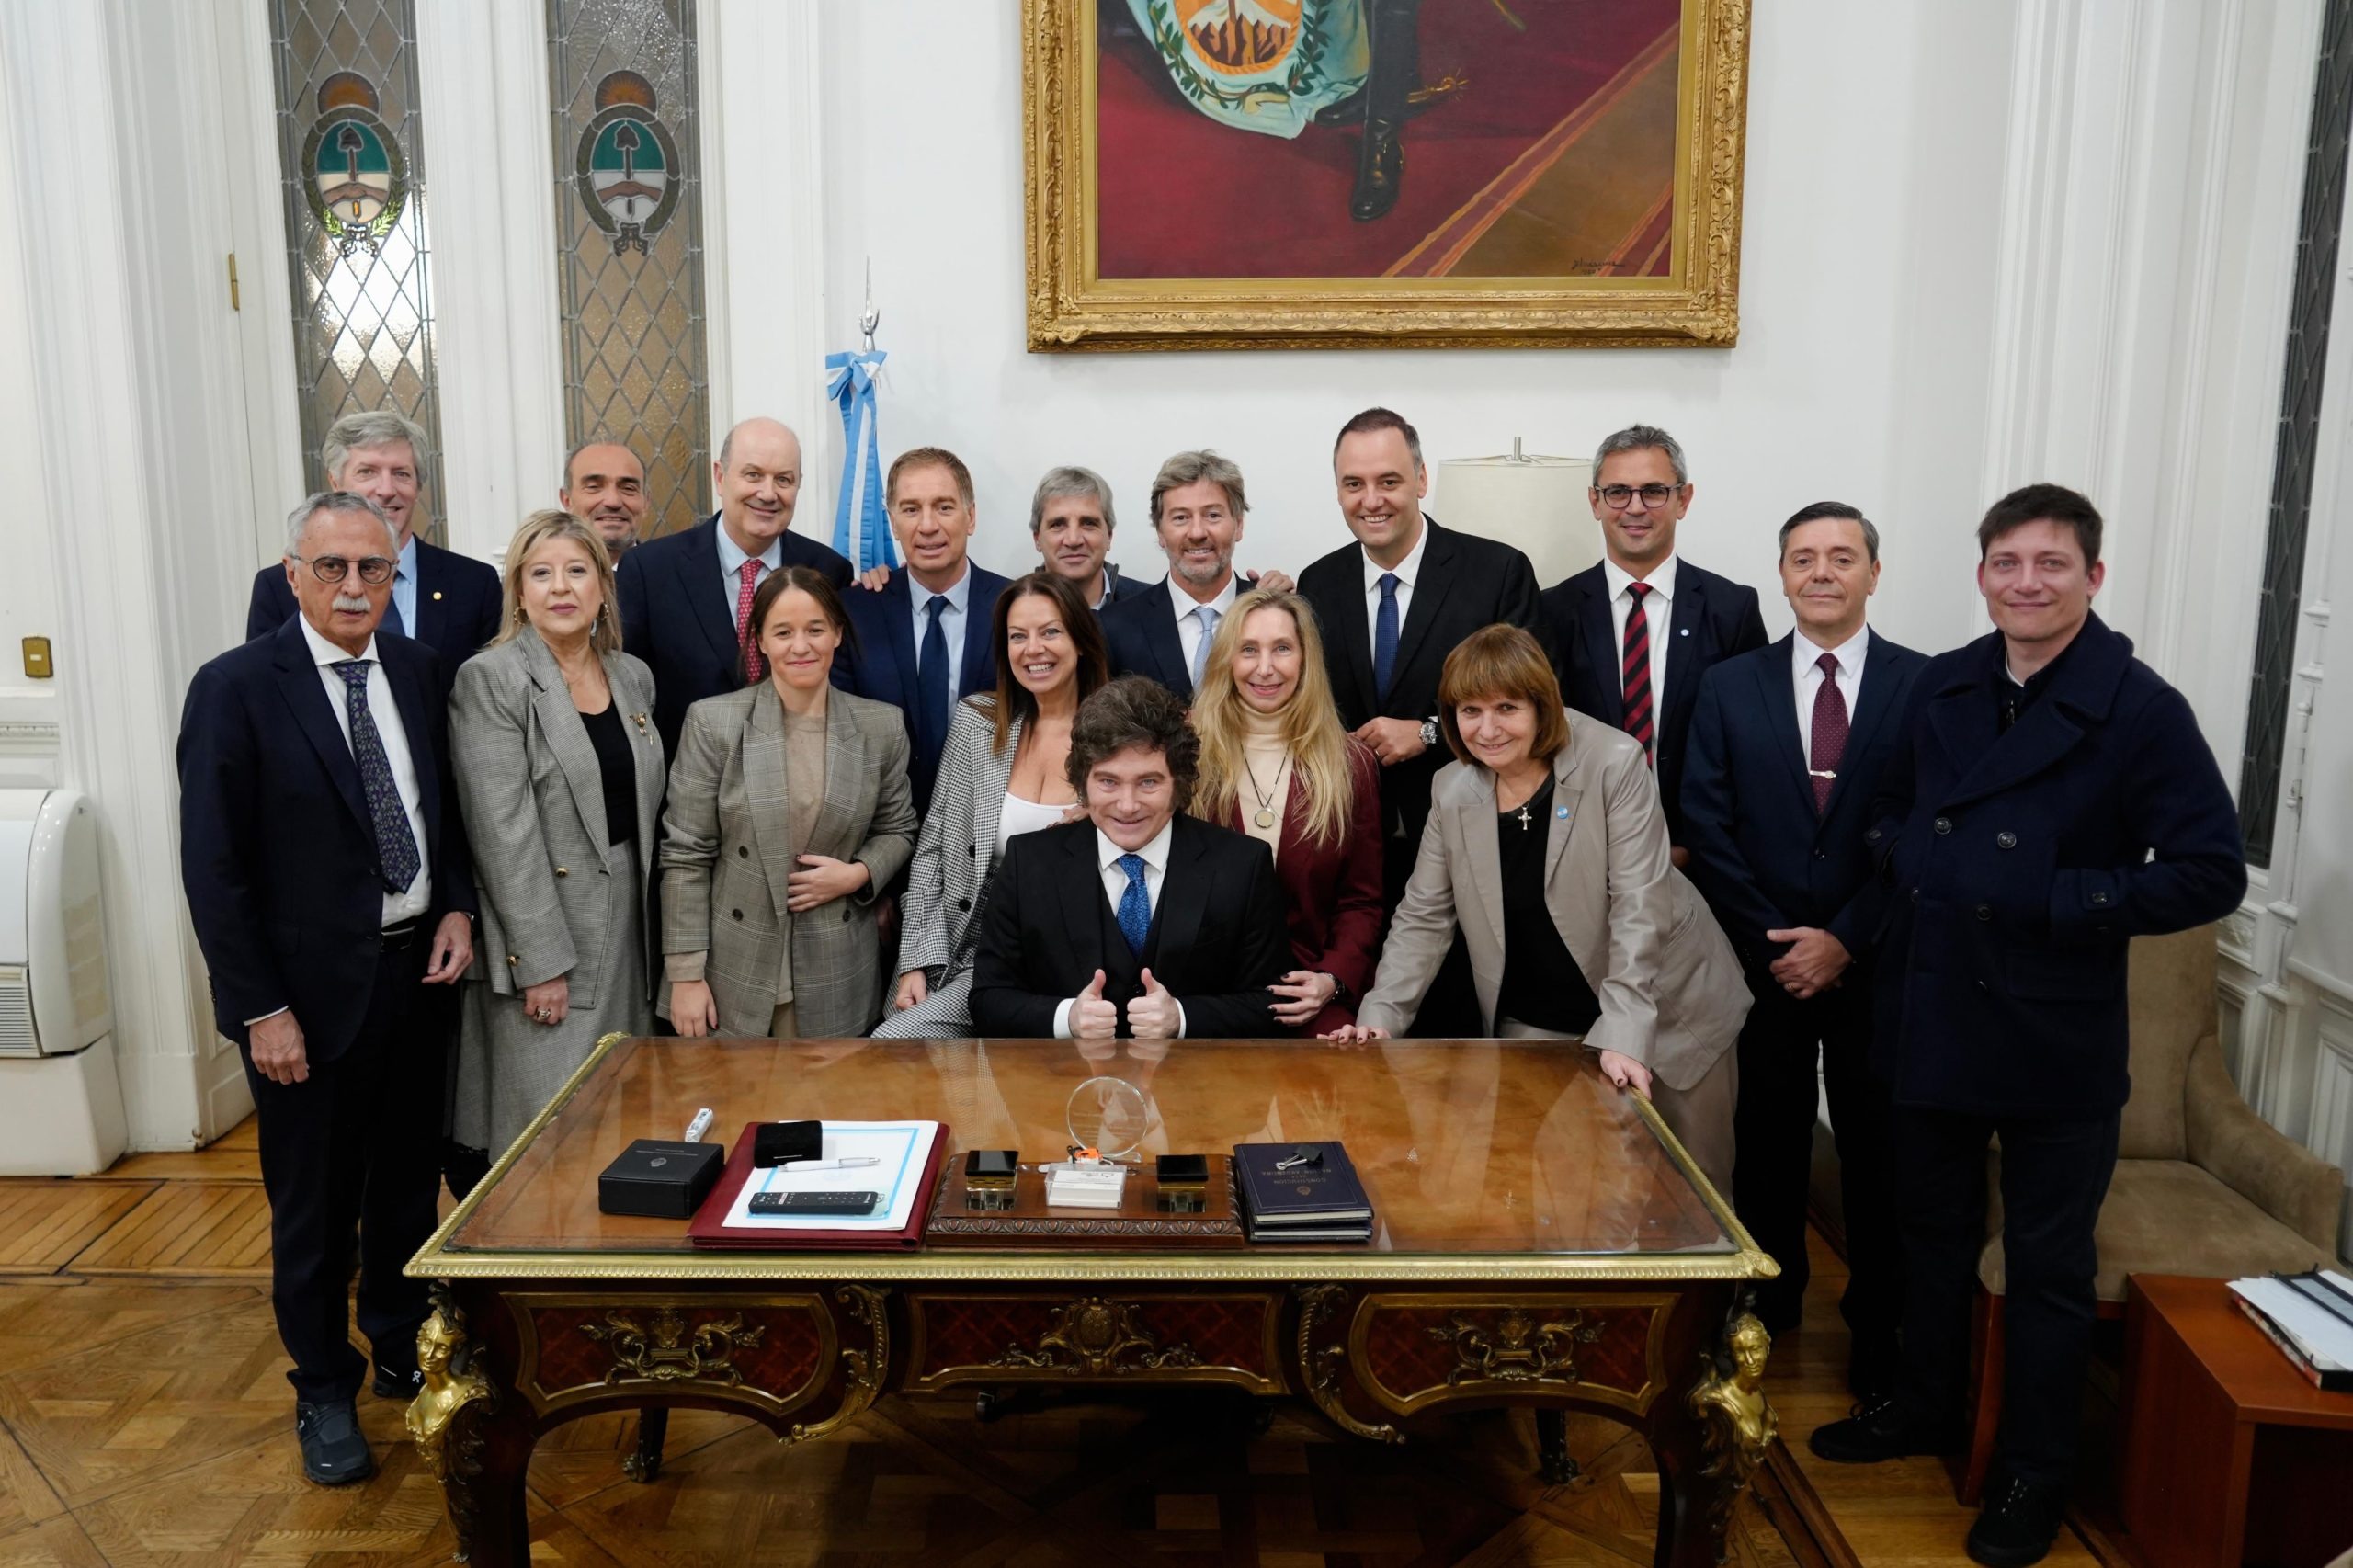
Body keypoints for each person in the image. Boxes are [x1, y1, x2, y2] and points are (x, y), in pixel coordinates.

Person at [1809, 485, 2247, 1568]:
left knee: (2047, 1268)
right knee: (1929, 1238)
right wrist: (1913, 857)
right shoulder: (1943, 684)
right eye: (2006, 563)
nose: (2026, 583)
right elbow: (1887, 810)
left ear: (2092, 577)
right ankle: (1922, 1407)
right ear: (1980, 576)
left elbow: (2209, 871)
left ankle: (2030, 1470)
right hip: (1933, 1008)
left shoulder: (2141, 707)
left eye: (2050, 564)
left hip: (2054, 1031)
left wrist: (2062, 900)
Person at [179, 491, 476, 1485]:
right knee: (313, 1211)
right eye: (334, 567)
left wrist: (456, 908)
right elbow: (214, 870)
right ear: (293, 572)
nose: (355, 585)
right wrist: (260, 1007)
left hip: (415, 982)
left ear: (397, 575)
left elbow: (446, 818)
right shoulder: (234, 687)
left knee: (403, 1187)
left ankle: (396, 1341)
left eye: (374, 569)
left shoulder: (420, 670)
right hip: (300, 1008)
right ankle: (322, 1388)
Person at [1324, 626, 1749, 1195]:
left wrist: (1624, 1030)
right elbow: (1423, 917)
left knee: (1691, 1192)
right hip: (1538, 1020)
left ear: (1542, 706)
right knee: (1564, 1196)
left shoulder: (1613, 762)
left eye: (1507, 708)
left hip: (1667, 1009)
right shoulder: (1452, 789)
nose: (1488, 728)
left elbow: (1638, 904)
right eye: (1469, 710)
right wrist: (1380, 1016)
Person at [1680, 502, 1925, 1392]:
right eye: (1802, 557)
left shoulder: (1924, 686)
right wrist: (1780, 939)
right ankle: (1769, 1309)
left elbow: (1930, 830)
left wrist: (1845, 938)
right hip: (1763, 963)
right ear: (1780, 574)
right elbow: (1705, 821)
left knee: (1875, 1152)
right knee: (1766, 1144)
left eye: (1841, 556)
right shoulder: (1728, 683)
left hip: (1876, 964)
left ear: (1872, 571)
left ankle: (1876, 1329)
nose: (1821, 572)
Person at [1297, 406, 1543, 1036]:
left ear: (1422, 479)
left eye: (1388, 480)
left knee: (1459, 1047)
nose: (1371, 499)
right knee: (1367, 1042)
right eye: (1354, 484)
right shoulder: (1317, 584)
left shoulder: (1496, 572)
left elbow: (1531, 704)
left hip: (1472, 838)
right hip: (1356, 859)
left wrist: (1430, 731)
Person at [448, 510, 665, 1175]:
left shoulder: (632, 676)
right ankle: (527, 1270)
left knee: (623, 1114)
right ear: (518, 590)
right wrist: (540, 962)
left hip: (632, 926)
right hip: (549, 935)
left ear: (603, 586)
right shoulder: (491, 680)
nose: (560, 588)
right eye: (540, 574)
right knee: (548, 1127)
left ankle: (609, 1268)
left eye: (577, 571)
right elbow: (502, 833)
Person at [658, 565, 916, 1037]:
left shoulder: (880, 727)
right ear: (759, 640)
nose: (801, 646)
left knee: (822, 1106)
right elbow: (685, 856)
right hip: (734, 970)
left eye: (816, 629)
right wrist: (685, 975)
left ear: (838, 634)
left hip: (837, 966)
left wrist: (857, 875)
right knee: (740, 1107)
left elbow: (898, 829)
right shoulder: (714, 724)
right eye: (784, 632)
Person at [970, 676, 1290, 1039]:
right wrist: (1066, 1018)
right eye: (1108, 782)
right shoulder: (1027, 863)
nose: (1127, 805)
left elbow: (1270, 1004)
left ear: (1179, 783)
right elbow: (988, 999)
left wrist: (1182, 1018)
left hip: (1198, 1087)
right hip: (1062, 1086)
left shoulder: (1242, 865)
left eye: (1148, 782)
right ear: (1082, 783)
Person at [876, 571, 1110, 1038]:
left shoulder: (1118, 739)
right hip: (958, 951)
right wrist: (916, 962)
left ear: (1081, 640)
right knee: (901, 1051)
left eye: (1050, 632)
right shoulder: (977, 723)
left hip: (1058, 962)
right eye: (1017, 636)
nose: (1033, 649)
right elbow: (932, 852)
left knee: (916, 1053)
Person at [1540, 424, 1768, 852]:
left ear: (1683, 499)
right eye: (1618, 492)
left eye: (1654, 491)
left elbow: (1753, 746)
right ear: (1595, 501)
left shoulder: (1731, 610)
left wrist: (1697, 846)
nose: (1635, 507)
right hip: (1581, 846)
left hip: (1699, 851)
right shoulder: (1553, 611)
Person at [1187, 585, 1382, 1036]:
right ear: (1226, 661)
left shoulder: (1351, 763)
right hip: (1205, 994)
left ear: (1306, 660)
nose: (1266, 668)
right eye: (1248, 650)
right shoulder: (1186, 754)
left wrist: (1332, 979)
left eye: (1282, 649)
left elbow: (1362, 900)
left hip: (1308, 990)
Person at [616, 416, 852, 759]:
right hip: (685, 785)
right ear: (720, 477)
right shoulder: (650, 569)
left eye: (783, 479)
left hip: (798, 780)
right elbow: (628, 689)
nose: (768, 493)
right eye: (753, 475)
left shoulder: (829, 571)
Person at [832, 448, 1012, 814]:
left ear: (971, 517)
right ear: (893, 522)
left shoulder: (1014, 609)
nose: (927, 526)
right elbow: (838, 736)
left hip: (989, 828)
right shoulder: (855, 612)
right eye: (911, 509)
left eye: (944, 507)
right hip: (879, 827)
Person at [244, 411, 501, 659]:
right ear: (335, 482)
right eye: (367, 472)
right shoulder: (280, 585)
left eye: (401, 473)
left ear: (418, 486)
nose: (387, 490)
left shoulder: (474, 584)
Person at [1102, 450, 1292, 700]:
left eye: (1212, 515)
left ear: (1239, 525)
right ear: (1160, 532)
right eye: (1181, 518)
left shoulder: (1278, 612)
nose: (1197, 532)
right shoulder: (1114, 627)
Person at [1032, 465, 1150, 610]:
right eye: (1058, 524)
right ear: (1037, 539)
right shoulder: (1008, 612)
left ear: (1109, 536)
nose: (1073, 540)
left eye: (1088, 523)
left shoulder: (1154, 607)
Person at [561, 439, 650, 561]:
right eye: (594, 487)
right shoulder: (540, 576)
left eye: (628, 488)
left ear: (646, 502)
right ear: (566, 500)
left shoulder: (674, 574)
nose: (613, 501)